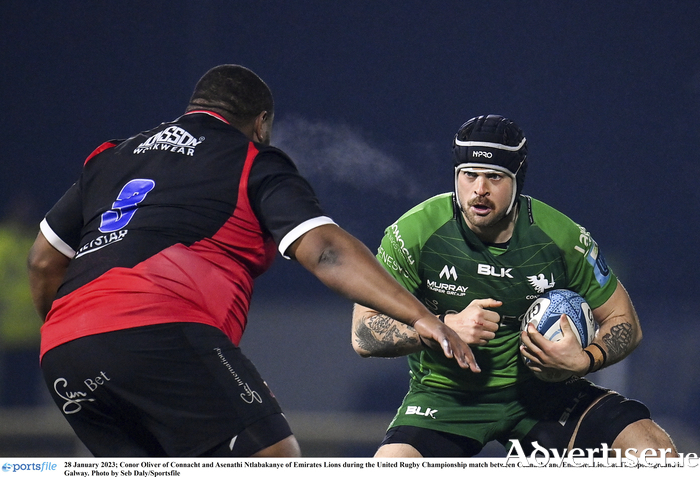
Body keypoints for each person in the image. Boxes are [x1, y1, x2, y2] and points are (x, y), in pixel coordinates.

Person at [27, 64, 474, 458]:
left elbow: (43, 262)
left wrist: (87, 339)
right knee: (270, 456)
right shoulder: (251, 159)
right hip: (157, 327)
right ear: (261, 123)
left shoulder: (111, 157)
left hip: (65, 354)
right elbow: (327, 250)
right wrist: (423, 317)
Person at [352, 114, 678, 458]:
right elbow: (362, 333)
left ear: (517, 180)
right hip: (444, 398)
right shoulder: (413, 232)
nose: (479, 190)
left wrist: (585, 360)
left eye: (494, 177)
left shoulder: (562, 237)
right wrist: (442, 329)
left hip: (543, 394)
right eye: (469, 175)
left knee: (654, 451)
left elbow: (624, 321)